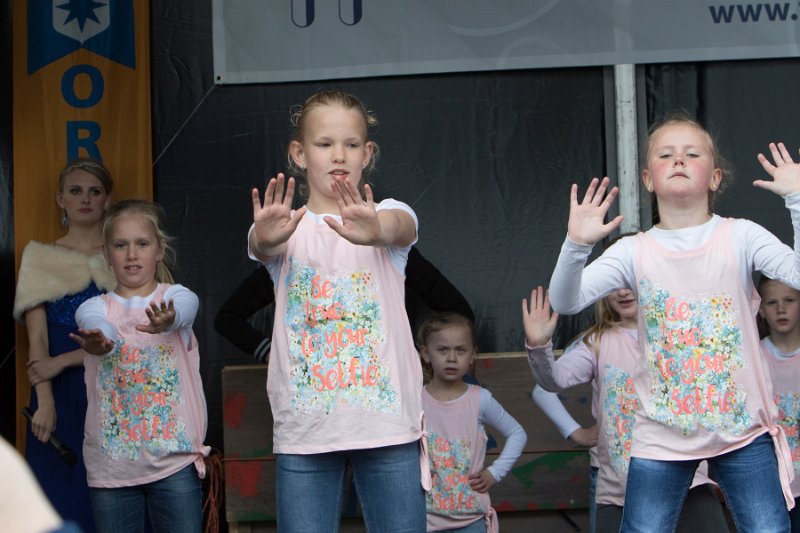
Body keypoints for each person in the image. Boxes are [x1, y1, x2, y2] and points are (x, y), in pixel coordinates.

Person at [547, 112, 800, 531]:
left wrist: (797, 199)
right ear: (648, 179)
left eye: (692, 153)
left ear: (715, 177)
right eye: (666, 155)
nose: (679, 160)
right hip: (661, 432)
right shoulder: (635, 250)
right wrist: (576, 244)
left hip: (742, 428)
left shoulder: (741, 236)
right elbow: (566, 300)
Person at [247, 89, 426, 532]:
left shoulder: (389, 212)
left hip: (387, 430)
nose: (338, 156)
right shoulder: (285, 228)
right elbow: (259, 243)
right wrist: (266, 234)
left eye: (350, 145)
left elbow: (402, 228)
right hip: (306, 434)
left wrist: (376, 229)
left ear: (368, 153)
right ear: (300, 154)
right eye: (324, 144)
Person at [524, 287, 728, 532]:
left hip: (687, 482)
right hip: (620, 491)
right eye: (614, 285)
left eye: (630, 280)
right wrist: (539, 346)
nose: (623, 292)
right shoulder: (597, 342)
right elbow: (551, 381)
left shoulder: (682, 332)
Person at [71, 199, 210, 533]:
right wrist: (100, 340)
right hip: (112, 471)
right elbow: (95, 323)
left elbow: (187, 308)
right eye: (121, 245)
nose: (132, 254)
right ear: (106, 254)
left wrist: (171, 318)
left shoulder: (176, 296)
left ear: (159, 250)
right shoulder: (95, 307)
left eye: (142, 244)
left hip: (174, 465)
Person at [12, 158, 115, 533]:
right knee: (58, 495)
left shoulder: (123, 254)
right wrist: (45, 401)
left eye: (95, 191)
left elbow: (130, 333)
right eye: (76, 191)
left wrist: (65, 361)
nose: (85, 199)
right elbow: (37, 339)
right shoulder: (39, 256)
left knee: (116, 498)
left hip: (114, 390)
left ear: (107, 200)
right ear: (60, 199)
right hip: (58, 394)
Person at [214, 246, 474, 363]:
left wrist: (420, 353)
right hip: (318, 415)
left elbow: (459, 312)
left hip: (382, 413)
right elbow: (228, 317)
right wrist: (273, 353)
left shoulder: (386, 247)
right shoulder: (295, 253)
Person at [418, 312, 526, 532]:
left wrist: (495, 472)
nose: (452, 358)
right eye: (442, 349)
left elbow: (517, 433)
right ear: (425, 353)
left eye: (460, 350)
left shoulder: (480, 399)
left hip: (471, 521)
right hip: (425, 520)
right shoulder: (415, 401)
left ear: (472, 355)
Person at [758, 276, 800, 531]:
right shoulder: (756, 355)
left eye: (789, 300)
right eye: (772, 303)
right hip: (771, 484)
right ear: (761, 309)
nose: (781, 309)